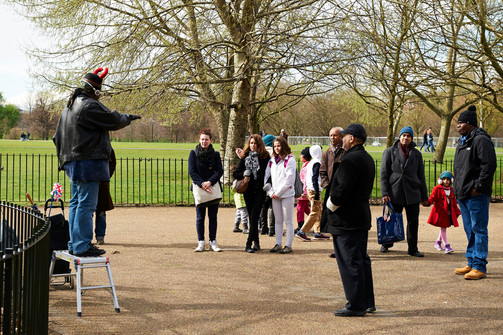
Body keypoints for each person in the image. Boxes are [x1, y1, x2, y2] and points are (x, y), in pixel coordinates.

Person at [53, 67, 140, 257]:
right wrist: (127, 118)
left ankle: (75, 243)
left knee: (76, 203)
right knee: (86, 205)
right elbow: (111, 119)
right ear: (95, 91)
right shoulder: (88, 105)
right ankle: (83, 245)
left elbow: (56, 137)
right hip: (88, 163)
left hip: (72, 162)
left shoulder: (69, 106)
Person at [325, 124, 375, 317]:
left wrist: (330, 205)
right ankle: (367, 301)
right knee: (361, 260)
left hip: (347, 219)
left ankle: (355, 303)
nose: (342, 139)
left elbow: (341, 191)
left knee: (349, 261)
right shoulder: (367, 158)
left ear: (352, 138)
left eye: (344, 136)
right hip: (361, 216)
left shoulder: (349, 160)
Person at [453, 105, 496, 280]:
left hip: (475, 194)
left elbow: (488, 166)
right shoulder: (463, 141)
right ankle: (471, 261)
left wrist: (478, 187)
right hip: (463, 193)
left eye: (461, 123)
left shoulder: (480, 140)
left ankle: (479, 265)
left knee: (479, 229)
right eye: (457, 123)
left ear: (470, 124)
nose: (458, 126)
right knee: (469, 229)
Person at [380, 126, 428, 257]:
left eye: (408, 136)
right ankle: (387, 244)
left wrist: (424, 196)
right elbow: (384, 174)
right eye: (403, 135)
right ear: (399, 137)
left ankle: (413, 248)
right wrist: (385, 193)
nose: (405, 138)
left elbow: (421, 176)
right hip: (395, 192)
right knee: (392, 220)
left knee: (413, 222)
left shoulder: (417, 154)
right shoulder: (389, 152)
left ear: (411, 138)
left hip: (412, 193)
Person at [233, 134, 270, 253]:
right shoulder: (245, 157)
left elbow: (269, 174)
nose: (253, 145)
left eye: (255, 143)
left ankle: (248, 243)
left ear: (260, 145)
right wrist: (245, 173)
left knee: (254, 217)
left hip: (260, 191)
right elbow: (236, 173)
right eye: (251, 143)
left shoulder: (265, 157)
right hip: (248, 191)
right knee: (252, 217)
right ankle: (257, 242)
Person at [188, 128, 224, 252]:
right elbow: (192, 171)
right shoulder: (193, 154)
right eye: (202, 139)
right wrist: (202, 184)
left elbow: (220, 170)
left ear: (211, 140)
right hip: (199, 188)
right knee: (200, 217)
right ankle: (201, 242)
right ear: (199, 140)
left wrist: (209, 182)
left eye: (206, 140)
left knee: (213, 217)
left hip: (213, 187)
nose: (204, 142)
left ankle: (213, 241)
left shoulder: (215, 155)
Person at [264, 136, 296, 254]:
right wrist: (270, 191)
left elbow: (289, 180)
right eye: (275, 146)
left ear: (283, 146)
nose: (277, 148)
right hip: (274, 195)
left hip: (286, 194)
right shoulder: (272, 160)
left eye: (279, 146)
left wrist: (278, 192)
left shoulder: (290, 159)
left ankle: (288, 245)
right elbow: (266, 176)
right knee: (277, 220)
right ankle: (278, 243)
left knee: (288, 220)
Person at [296, 145, 330, 241]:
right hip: (314, 190)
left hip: (311, 189)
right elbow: (314, 178)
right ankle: (302, 231)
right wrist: (316, 192)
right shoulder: (317, 163)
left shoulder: (311, 162)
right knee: (315, 211)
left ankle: (317, 232)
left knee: (318, 210)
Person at [320, 127, 345, 258]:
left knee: (342, 221)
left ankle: (343, 249)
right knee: (332, 221)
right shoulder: (328, 152)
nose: (332, 138)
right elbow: (322, 170)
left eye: (335, 135)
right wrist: (326, 184)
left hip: (342, 190)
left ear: (341, 136)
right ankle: (337, 249)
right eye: (330, 136)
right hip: (331, 190)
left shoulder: (345, 151)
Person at [426, 171, 461, 254]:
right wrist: (427, 202)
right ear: (441, 180)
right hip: (441, 212)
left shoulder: (452, 190)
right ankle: (446, 246)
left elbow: (454, 202)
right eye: (444, 179)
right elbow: (432, 197)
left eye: (448, 179)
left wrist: (457, 211)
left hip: (449, 212)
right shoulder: (437, 188)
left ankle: (438, 242)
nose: (446, 181)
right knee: (444, 228)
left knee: (444, 227)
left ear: (451, 181)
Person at [95, 148, 117, 245]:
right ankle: (86, 237)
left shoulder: (107, 147)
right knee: (87, 212)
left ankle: (100, 236)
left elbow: (113, 163)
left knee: (101, 212)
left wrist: (107, 175)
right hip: (90, 180)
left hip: (102, 182)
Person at [259, 134, 276, 236]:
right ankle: (272, 229)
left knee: (263, 206)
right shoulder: (275, 154)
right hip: (274, 181)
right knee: (272, 206)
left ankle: (263, 227)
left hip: (264, 181)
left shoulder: (262, 153)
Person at [295, 147, 311, 233]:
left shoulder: (307, 166)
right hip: (304, 190)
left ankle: (300, 225)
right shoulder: (305, 165)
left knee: (299, 208)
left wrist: (303, 192)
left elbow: (305, 180)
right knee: (305, 209)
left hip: (304, 191)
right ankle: (317, 220)